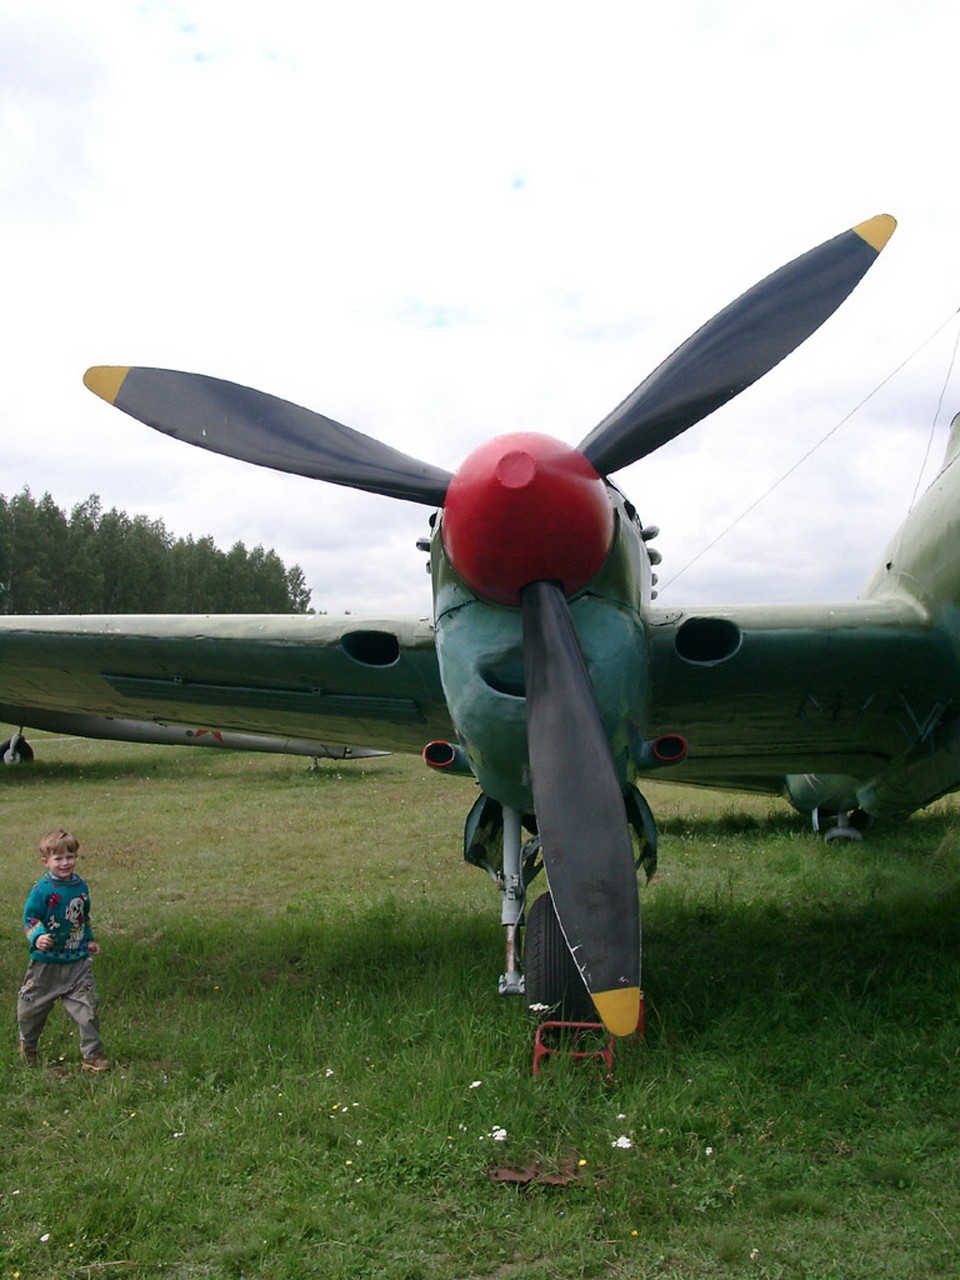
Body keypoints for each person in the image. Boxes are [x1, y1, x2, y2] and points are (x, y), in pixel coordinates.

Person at [17, 828, 110, 1072]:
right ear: (45, 861)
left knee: (87, 1010)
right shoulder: (42, 891)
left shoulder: (80, 886)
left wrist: (88, 939)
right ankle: (28, 1046)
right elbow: (30, 918)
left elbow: (82, 918)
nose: (65, 863)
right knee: (30, 1010)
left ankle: (93, 1057)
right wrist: (37, 937)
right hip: (46, 965)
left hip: (77, 963)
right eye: (58, 858)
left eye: (70, 857)